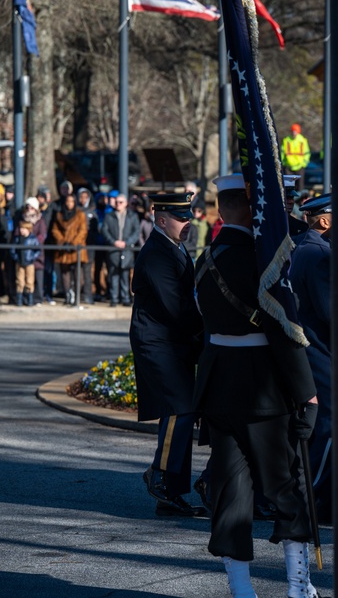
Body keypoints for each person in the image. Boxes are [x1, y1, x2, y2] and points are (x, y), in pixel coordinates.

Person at [193, 174, 319, 598]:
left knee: (231, 492)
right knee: (287, 487)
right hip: (265, 391)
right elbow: (285, 331)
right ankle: (298, 587)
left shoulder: (205, 258)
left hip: (219, 389)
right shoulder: (266, 262)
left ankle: (242, 591)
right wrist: (306, 392)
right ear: (252, 208)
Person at [130, 191, 207, 518]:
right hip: (158, 342)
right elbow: (176, 307)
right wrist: (206, 333)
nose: (187, 223)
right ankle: (161, 474)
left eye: (189, 217)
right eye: (180, 218)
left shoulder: (171, 247)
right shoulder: (158, 253)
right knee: (180, 408)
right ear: (161, 220)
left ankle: (171, 492)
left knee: (179, 410)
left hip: (170, 341)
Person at [286, 192, 334, 522]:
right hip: (320, 349)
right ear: (324, 221)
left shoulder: (302, 247)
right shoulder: (319, 254)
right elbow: (331, 311)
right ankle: (313, 493)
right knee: (331, 425)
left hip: (307, 348)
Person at [102, 191, 141, 307]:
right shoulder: (109, 216)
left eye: (121, 202)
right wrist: (114, 242)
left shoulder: (132, 216)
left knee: (125, 274)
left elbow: (136, 232)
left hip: (127, 250)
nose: (118, 204)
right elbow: (105, 230)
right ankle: (114, 298)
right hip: (113, 250)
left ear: (126, 203)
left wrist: (126, 243)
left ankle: (125, 298)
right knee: (113, 275)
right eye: (117, 202)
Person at [50, 188, 89, 306]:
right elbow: (55, 230)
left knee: (79, 276)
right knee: (65, 273)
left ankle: (77, 296)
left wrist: (73, 243)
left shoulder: (80, 215)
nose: (69, 204)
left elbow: (83, 231)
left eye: (72, 201)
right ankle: (68, 294)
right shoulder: (59, 214)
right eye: (67, 201)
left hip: (76, 248)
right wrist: (62, 242)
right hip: (64, 248)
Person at [10, 221, 40, 306]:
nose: (21, 230)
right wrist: (16, 257)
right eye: (21, 228)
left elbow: (37, 250)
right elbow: (12, 249)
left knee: (30, 281)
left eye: (24, 229)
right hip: (20, 262)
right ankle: (19, 299)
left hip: (29, 263)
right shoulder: (17, 239)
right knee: (20, 281)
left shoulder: (33, 239)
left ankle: (29, 299)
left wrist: (32, 258)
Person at [78, 187, 99, 304]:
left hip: (89, 246)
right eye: (81, 197)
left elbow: (96, 230)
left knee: (87, 271)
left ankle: (88, 295)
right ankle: (76, 295)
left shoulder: (92, 212)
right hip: (78, 245)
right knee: (76, 271)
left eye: (85, 197)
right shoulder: (76, 211)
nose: (83, 199)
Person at [282, 124, 311, 191]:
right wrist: (284, 164)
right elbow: (282, 153)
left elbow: (307, 153)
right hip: (288, 167)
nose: (294, 133)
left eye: (295, 131)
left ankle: (300, 201)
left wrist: (304, 164)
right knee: (289, 188)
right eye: (293, 131)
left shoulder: (302, 141)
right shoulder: (286, 140)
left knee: (300, 187)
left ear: (298, 132)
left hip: (300, 167)